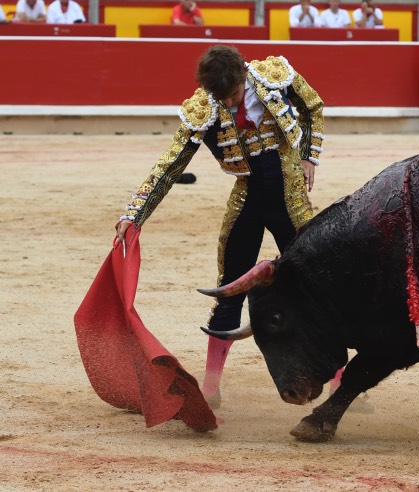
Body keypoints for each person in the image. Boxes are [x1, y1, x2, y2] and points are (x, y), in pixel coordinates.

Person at [113, 45, 325, 408]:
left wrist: (309, 155)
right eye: (222, 97)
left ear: (244, 74)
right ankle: (211, 388)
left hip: (291, 197)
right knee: (229, 289)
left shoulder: (274, 76)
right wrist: (135, 213)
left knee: (318, 287)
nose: (229, 102)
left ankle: (338, 383)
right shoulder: (205, 106)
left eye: (234, 94)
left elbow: (313, 107)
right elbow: (171, 163)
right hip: (248, 199)